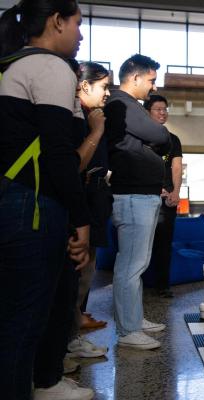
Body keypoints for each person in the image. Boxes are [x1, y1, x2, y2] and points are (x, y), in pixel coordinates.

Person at [0, 1, 93, 399]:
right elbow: (58, 156)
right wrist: (81, 220)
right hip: (33, 206)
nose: (81, 34)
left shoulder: (8, 65)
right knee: (24, 323)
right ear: (56, 21)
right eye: (77, 23)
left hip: (10, 200)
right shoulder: (51, 67)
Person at [104, 54, 170, 350]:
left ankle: (134, 318)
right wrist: (155, 137)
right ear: (135, 78)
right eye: (152, 81)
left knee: (137, 265)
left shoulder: (129, 106)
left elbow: (154, 137)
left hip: (141, 194)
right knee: (130, 266)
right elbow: (158, 134)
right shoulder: (122, 103)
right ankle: (128, 330)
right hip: (132, 196)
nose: (154, 88)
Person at [64, 61, 112, 366]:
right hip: (78, 203)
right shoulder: (76, 118)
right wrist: (97, 130)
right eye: (103, 86)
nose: (107, 93)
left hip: (94, 200)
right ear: (84, 85)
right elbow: (74, 165)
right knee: (74, 275)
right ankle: (64, 344)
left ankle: (72, 335)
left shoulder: (90, 115)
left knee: (86, 273)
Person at [146, 94, 183, 299]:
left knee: (164, 244)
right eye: (158, 109)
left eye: (165, 109)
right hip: (144, 196)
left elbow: (176, 166)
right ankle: (139, 284)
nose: (163, 113)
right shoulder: (140, 137)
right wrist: (153, 187)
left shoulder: (173, 139)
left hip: (167, 200)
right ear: (147, 112)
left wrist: (175, 192)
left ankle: (162, 285)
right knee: (142, 244)